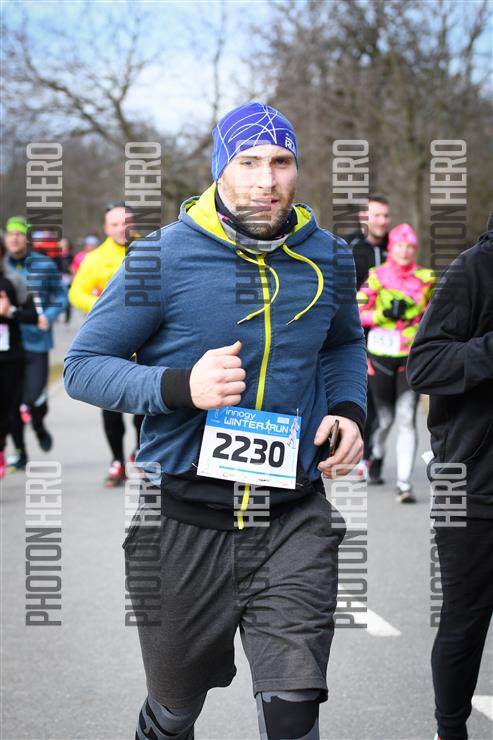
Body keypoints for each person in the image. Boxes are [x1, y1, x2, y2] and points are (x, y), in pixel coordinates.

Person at [64, 101, 367, 740]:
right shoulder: (161, 257)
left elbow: (342, 343)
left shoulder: (330, 257)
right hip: (183, 521)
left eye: (281, 162)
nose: (267, 180)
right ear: (220, 170)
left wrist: (346, 409)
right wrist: (181, 386)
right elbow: (83, 366)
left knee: (293, 708)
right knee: (175, 710)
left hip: (292, 516)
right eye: (248, 162)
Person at [407, 214, 493, 740]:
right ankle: (450, 730)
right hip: (471, 480)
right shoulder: (474, 269)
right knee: (466, 618)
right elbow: (424, 365)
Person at [357, 223, 435, 501]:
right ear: (392, 248)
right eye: (400, 245)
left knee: (405, 417)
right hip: (380, 355)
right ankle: (376, 454)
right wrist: (383, 315)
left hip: (410, 357)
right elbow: (357, 312)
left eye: (409, 246)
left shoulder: (426, 279)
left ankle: (404, 483)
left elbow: (433, 317)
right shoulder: (376, 276)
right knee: (386, 418)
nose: (404, 251)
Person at [69, 204, 143, 487]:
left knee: (144, 403)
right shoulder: (95, 259)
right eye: (114, 224)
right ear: (106, 228)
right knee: (110, 406)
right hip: (110, 343)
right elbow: (76, 293)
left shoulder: (152, 250)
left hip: (145, 340)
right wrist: (104, 306)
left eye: (125, 222)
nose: (121, 229)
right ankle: (117, 461)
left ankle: (140, 451)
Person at [4, 216, 68, 471]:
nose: (14, 239)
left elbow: (61, 296)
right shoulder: (2, 266)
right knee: (12, 403)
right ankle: (20, 452)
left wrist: (48, 316)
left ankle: (39, 424)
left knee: (33, 399)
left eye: (19, 234)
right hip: (9, 344)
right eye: (10, 234)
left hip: (37, 342)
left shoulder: (44, 265)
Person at [344, 195, 391, 477]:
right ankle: (362, 454)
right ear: (363, 217)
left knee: (381, 400)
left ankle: (374, 455)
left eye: (386, 216)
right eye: (377, 216)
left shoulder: (394, 246)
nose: (382, 221)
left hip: (387, 334)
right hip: (354, 333)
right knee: (361, 393)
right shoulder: (347, 246)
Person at [0, 248, 38, 477]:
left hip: (9, 357)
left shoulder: (13, 281)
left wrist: (10, 312)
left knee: (9, 408)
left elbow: (33, 315)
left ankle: (14, 451)